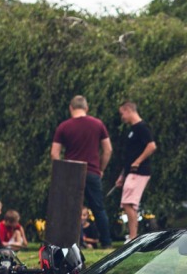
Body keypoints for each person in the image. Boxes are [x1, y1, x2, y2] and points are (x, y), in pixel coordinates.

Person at [52, 95, 113, 249]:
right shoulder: (98, 124)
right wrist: (101, 169)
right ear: (86, 108)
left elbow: (54, 153)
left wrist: (62, 172)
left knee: (70, 210)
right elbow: (108, 149)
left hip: (71, 173)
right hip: (92, 170)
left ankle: (71, 243)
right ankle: (106, 242)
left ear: (71, 108)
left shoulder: (64, 127)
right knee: (98, 208)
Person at [115, 100, 157, 242]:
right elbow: (130, 155)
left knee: (129, 203)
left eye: (122, 113)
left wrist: (138, 162)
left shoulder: (142, 128)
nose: (122, 117)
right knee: (128, 203)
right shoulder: (132, 130)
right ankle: (133, 235)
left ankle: (133, 236)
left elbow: (151, 146)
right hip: (130, 172)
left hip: (139, 171)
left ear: (128, 110)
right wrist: (122, 175)